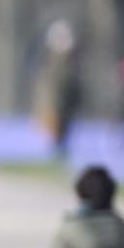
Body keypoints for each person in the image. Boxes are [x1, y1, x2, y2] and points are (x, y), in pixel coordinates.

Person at [34, 20, 84, 162]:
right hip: (55, 99)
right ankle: (54, 149)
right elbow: (46, 82)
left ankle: (60, 149)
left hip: (67, 100)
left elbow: (74, 83)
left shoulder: (74, 59)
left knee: (65, 125)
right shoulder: (49, 59)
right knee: (54, 125)